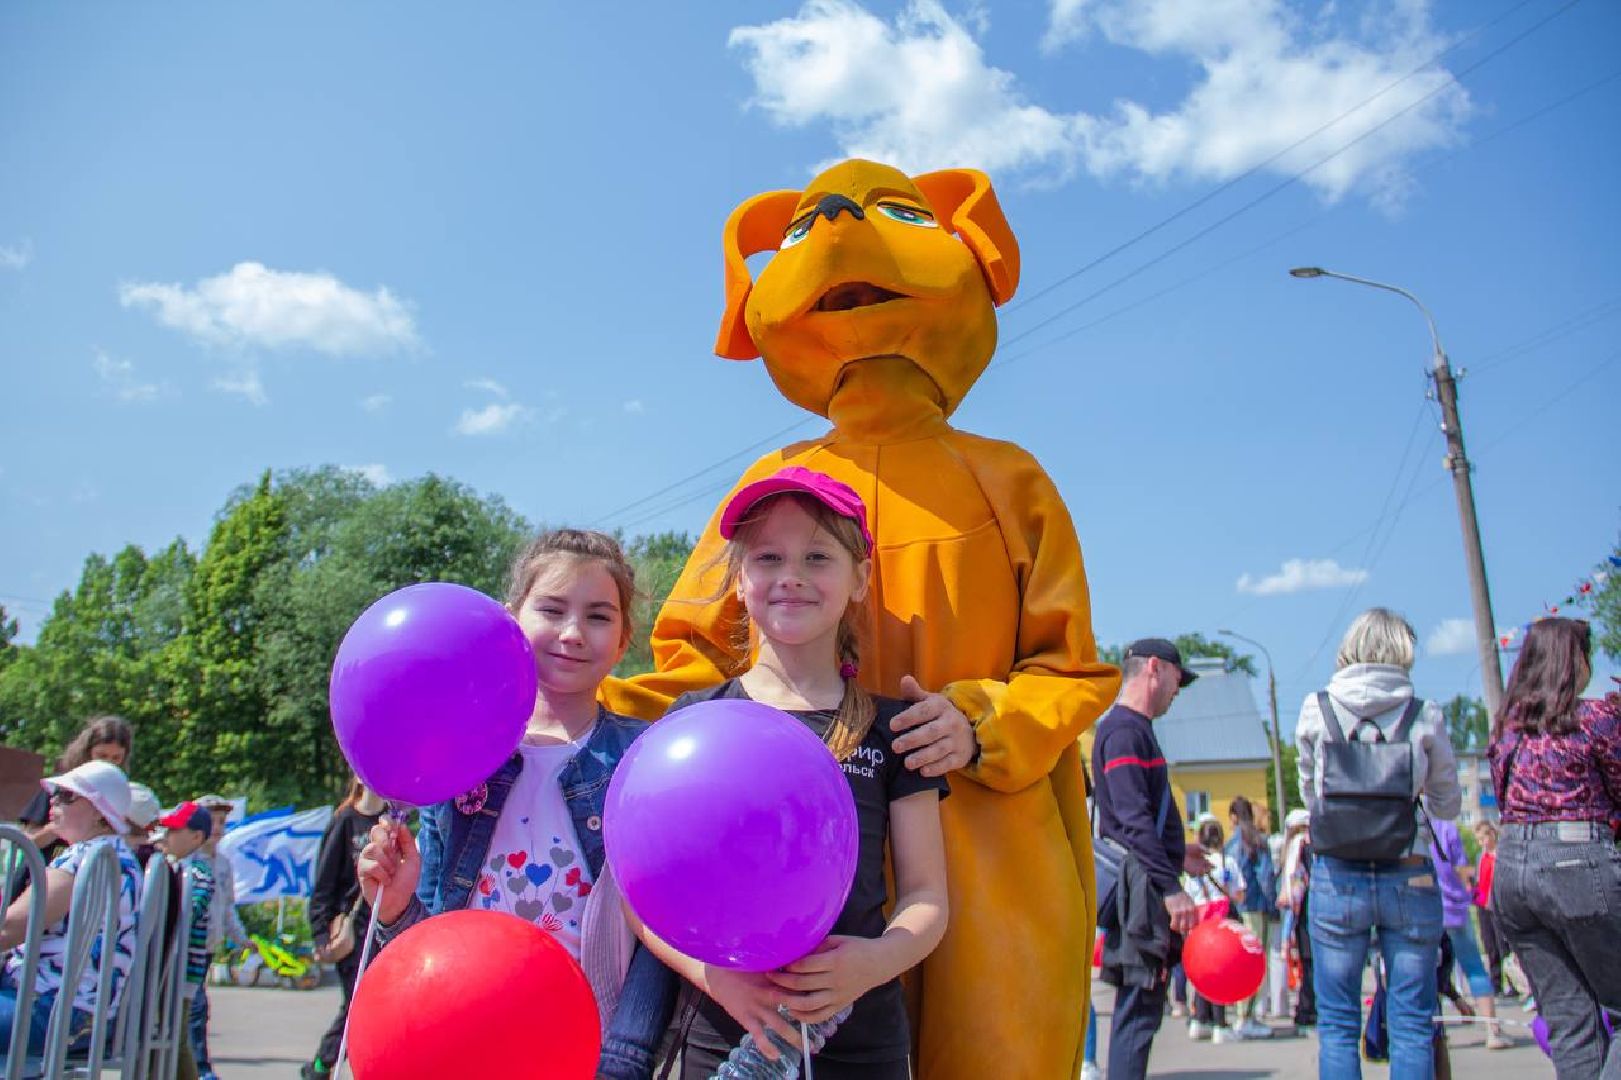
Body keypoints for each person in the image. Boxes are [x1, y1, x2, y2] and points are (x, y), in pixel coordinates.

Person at [636, 468, 950, 1078]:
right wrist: (717, 978)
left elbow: (927, 896)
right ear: (739, 578)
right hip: (723, 1034)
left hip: (864, 1042)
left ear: (860, 579)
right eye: (769, 557)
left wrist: (877, 961)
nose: (792, 576)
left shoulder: (894, 729)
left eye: (818, 556)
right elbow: (637, 893)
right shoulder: (692, 724)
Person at [359, 528, 678, 1080]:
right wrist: (393, 907)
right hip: (461, 1038)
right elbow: (430, 935)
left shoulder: (646, 757)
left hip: (586, 1047)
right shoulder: (457, 758)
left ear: (625, 640)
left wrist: (623, 1059)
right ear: (511, 619)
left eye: (599, 617)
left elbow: (659, 935)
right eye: (552, 610)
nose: (573, 633)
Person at [1296, 607, 1461, 1079]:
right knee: (1410, 1021)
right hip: (1409, 870)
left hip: (1337, 873)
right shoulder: (1423, 713)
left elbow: (1313, 794)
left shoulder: (1316, 708)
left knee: (1338, 1022)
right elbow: (1447, 805)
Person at [1488, 617, 1621, 1079]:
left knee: (1571, 1024)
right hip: (1578, 863)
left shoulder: (1507, 728)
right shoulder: (1596, 718)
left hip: (1512, 872)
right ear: (1573, 662)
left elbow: (1503, 794)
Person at [1093, 638, 1208, 1080]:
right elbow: (1132, 818)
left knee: (1141, 1011)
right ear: (1155, 669)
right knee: (1138, 1012)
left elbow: (1137, 818)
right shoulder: (1125, 730)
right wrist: (1171, 888)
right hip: (1142, 892)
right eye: (1179, 679)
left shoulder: (1133, 729)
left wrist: (1181, 853)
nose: (1179, 691)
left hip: (1145, 883)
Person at [0, 761, 143, 1055]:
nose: (53, 800)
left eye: (67, 795)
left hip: (47, 1011)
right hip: (80, 1015)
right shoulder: (119, 858)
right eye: (55, 792)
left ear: (99, 812)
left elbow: (8, 929)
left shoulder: (84, 859)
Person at [301, 779, 384, 1080]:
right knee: (356, 1005)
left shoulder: (390, 820)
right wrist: (320, 933)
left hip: (380, 931)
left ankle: (325, 1066)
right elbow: (324, 883)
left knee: (367, 1007)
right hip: (350, 932)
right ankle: (322, 1065)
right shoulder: (345, 821)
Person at [13, 716, 133, 875]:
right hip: (43, 876)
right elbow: (26, 841)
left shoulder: (118, 795)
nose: (107, 764)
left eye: (116, 758)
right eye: (102, 756)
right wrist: (63, 825)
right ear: (87, 752)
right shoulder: (61, 788)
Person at [1428, 816, 1510, 1049]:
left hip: (1423, 907)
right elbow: (1462, 867)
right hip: (1454, 908)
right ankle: (1492, 1031)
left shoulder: (1411, 824)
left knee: (1424, 971)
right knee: (1473, 966)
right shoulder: (1446, 828)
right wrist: (1467, 890)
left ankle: (1430, 1034)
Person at [156, 801, 216, 1079]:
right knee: (158, 1039)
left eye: (174, 830)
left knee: (175, 1039)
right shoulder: (170, 867)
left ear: (196, 837)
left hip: (181, 974)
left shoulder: (199, 875)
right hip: (166, 969)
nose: (165, 836)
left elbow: (186, 913)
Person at [1184, 818, 1244, 1044]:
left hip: (1199, 920)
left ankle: (1200, 1019)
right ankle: (1220, 1023)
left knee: (1202, 971)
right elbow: (1239, 893)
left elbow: (1188, 892)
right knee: (1221, 971)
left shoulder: (1193, 864)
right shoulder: (1227, 862)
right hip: (1221, 920)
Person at [1225, 795, 1276, 1039]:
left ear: (1233, 817)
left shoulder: (1230, 844)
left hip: (1235, 908)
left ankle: (1240, 1013)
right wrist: (1272, 904)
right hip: (1256, 906)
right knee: (1255, 961)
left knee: (1239, 961)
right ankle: (1247, 1017)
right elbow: (1265, 876)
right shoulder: (1256, 840)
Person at [1277, 808, 1317, 1027]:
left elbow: (1294, 882)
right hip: (1311, 908)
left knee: (1307, 961)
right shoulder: (1308, 844)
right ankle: (1309, 1007)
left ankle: (1306, 1007)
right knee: (1312, 962)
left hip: (1302, 910)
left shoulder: (1297, 846)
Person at [1470, 821, 1509, 998]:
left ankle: (1513, 982)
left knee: (1503, 945)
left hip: (1498, 905)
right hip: (1483, 904)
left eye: (1484, 838)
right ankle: (1496, 983)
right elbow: (1479, 880)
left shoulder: (1501, 855)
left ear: (1492, 835)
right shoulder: (1481, 857)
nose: (1482, 843)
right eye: (1479, 840)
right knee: (1489, 945)